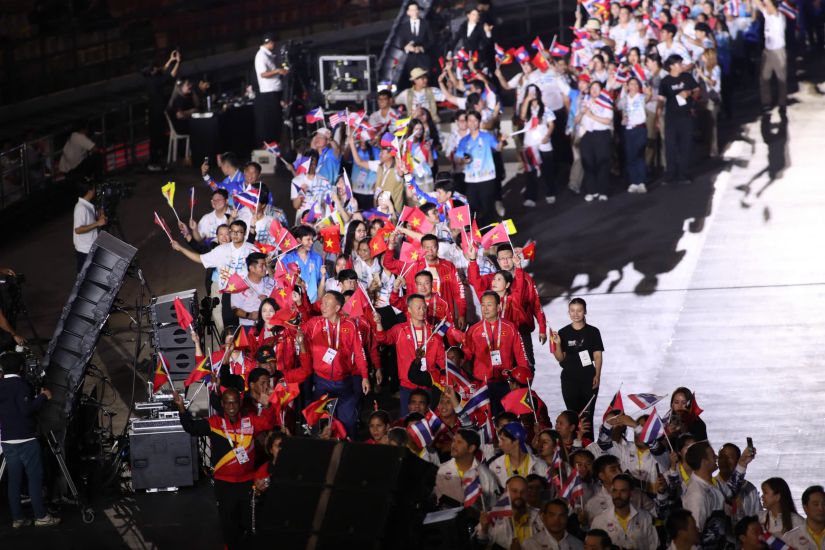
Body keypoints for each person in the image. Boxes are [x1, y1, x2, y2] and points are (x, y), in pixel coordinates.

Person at [173, 387, 274, 549]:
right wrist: (181, 407)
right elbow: (191, 428)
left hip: (248, 483)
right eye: (227, 403)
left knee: (250, 522)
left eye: (234, 402)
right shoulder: (214, 423)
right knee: (229, 523)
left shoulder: (250, 420)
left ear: (240, 403)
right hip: (224, 484)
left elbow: (268, 422)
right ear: (222, 404)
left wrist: (267, 406)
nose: (231, 406)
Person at [0, 352, 60, 528]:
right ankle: (41, 516)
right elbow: (26, 410)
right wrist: (43, 397)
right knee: (34, 478)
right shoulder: (21, 385)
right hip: (26, 439)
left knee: (14, 481)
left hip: (7, 440)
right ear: (21, 368)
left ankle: (18, 518)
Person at [301, 291, 369, 437]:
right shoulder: (315, 323)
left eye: (327, 304)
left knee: (348, 421)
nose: (322, 307)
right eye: (322, 303)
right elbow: (299, 331)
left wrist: (364, 376)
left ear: (337, 308)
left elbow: (359, 353)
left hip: (344, 381)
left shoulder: (350, 325)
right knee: (320, 422)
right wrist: (298, 334)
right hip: (321, 381)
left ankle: (349, 446)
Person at [374, 293, 446, 414]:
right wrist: (378, 323)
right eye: (418, 308)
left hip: (428, 383)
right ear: (409, 310)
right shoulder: (400, 329)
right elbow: (383, 338)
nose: (422, 311)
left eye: (424, 308)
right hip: (407, 384)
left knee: (428, 419)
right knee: (407, 419)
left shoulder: (433, 332)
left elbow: (441, 359)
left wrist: (443, 379)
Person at [461, 291, 529, 413]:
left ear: (498, 307)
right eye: (483, 305)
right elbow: (465, 355)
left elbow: (521, 356)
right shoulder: (474, 330)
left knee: (505, 417)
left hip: (505, 382)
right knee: (486, 418)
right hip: (482, 383)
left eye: (489, 305)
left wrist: (523, 383)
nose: (485, 309)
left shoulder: (510, 328)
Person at [550, 298, 603, 438]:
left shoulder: (593, 332)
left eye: (579, 310)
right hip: (569, 380)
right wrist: (557, 344)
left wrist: (597, 375)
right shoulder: (563, 332)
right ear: (568, 312)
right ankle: (573, 445)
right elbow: (560, 358)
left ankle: (588, 445)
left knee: (587, 416)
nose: (576, 314)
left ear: (585, 311)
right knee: (573, 416)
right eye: (572, 311)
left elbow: (597, 355)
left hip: (588, 379)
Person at [682, 440, 755, 542]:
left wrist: (742, 462)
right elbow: (694, 535)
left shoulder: (710, 484)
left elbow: (730, 491)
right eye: (713, 455)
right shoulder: (697, 494)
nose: (716, 457)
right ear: (704, 461)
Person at [454, 110, 504, 226]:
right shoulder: (464, 141)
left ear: (479, 122)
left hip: (486, 177)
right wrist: (463, 160)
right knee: (473, 208)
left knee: (488, 208)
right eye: (470, 120)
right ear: (467, 122)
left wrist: (502, 141)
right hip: (471, 179)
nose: (472, 123)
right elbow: (458, 158)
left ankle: (492, 232)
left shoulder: (487, 136)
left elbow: (498, 148)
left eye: (475, 120)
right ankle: (479, 232)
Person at [658, 54, 699, 185]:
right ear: (671, 66)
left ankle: (683, 174)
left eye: (681, 63)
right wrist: (658, 115)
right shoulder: (665, 81)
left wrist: (689, 93)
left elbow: (697, 90)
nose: (682, 66)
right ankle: (670, 174)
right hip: (671, 117)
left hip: (686, 115)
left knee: (685, 145)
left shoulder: (687, 77)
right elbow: (661, 99)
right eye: (679, 64)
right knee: (670, 146)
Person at [590, 473, 659, 548]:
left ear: (631, 493)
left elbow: (654, 546)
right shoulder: (599, 521)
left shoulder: (645, 518)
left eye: (623, 491)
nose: (618, 495)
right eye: (615, 490)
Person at [434, 428, 498, 509]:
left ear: (471, 448)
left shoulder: (486, 475)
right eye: (453, 441)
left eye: (459, 442)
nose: (453, 445)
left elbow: (494, 506)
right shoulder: (440, 471)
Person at [475, 476, 543, 547]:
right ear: (506, 492)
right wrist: (484, 530)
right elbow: (479, 546)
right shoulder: (491, 517)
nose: (519, 495)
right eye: (514, 491)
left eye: (523, 492)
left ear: (527, 493)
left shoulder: (539, 517)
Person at [518, 84, 557, 207]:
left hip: (544, 144)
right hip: (530, 143)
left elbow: (551, 125)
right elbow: (522, 117)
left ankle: (550, 193)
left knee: (547, 170)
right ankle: (531, 196)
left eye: (534, 91)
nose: (532, 93)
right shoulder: (525, 107)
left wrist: (547, 136)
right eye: (530, 91)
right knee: (531, 172)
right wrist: (527, 100)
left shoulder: (545, 108)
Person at [143, 49, 180, 170]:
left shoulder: (148, 76)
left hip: (152, 111)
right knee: (157, 137)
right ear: (154, 69)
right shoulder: (156, 80)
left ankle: (154, 161)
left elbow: (162, 70)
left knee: (154, 137)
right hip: (157, 112)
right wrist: (178, 62)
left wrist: (170, 60)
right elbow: (170, 75)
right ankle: (155, 163)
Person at [577, 80, 613, 202]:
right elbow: (576, 120)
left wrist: (591, 115)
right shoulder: (584, 102)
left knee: (602, 163)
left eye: (597, 88)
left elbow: (607, 120)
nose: (594, 90)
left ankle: (603, 190)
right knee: (588, 163)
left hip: (601, 135)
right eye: (592, 88)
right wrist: (581, 113)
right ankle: (591, 190)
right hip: (587, 135)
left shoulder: (605, 102)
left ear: (601, 90)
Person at [488, 422, 549, 490]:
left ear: (516, 441)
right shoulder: (494, 466)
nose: (499, 444)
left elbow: (546, 492)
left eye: (503, 440)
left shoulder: (540, 465)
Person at [753, 0, 787, 116]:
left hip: (778, 51)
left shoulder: (779, 16)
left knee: (781, 79)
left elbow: (769, 6)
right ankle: (766, 103)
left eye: (768, 5)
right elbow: (758, 4)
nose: (765, 7)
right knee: (764, 78)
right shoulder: (767, 14)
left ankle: (782, 103)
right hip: (767, 52)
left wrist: (767, 3)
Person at [254, 34, 289, 144]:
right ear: (268, 42)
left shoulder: (269, 55)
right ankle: (273, 141)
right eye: (273, 42)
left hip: (276, 89)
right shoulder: (261, 56)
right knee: (273, 118)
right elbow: (263, 74)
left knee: (278, 117)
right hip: (269, 92)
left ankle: (279, 140)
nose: (274, 44)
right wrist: (277, 71)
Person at [618, 77, 650, 194]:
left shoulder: (641, 97)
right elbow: (619, 106)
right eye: (631, 84)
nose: (634, 86)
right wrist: (623, 92)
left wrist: (648, 92)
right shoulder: (624, 99)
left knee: (639, 154)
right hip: (628, 129)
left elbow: (648, 97)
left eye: (636, 84)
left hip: (640, 128)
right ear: (628, 86)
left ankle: (641, 182)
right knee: (630, 155)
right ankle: (633, 182)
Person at [281, 226, 324, 304]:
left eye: (312, 239)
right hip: (293, 302)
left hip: (313, 303)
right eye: (308, 239)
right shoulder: (287, 259)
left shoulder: (317, 259)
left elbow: (321, 281)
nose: (311, 242)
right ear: (298, 240)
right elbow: (281, 282)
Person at [230, 253, 275, 327]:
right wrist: (249, 315)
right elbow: (235, 309)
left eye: (265, 265)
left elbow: (275, 280)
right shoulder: (240, 286)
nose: (265, 268)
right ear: (252, 268)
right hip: (249, 326)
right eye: (261, 266)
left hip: (268, 325)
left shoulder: (268, 281)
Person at [73, 179, 107, 273]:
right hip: (84, 250)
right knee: (83, 278)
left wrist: (101, 213)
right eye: (94, 189)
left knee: (93, 275)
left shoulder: (88, 205)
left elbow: (95, 218)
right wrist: (97, 223)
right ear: (89, 191)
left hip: (90, 247)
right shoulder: (81, 208)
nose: (95, 191)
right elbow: (78, 230)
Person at [396, 1, 434, 81]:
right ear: (408, 12)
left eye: (416, 10)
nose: (415, 12)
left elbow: (431, 41)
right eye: (412, 10)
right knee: (413, 80)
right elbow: (401, 44)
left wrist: (421, 48)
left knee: (425, 79)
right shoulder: (404, 26)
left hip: (424, 58)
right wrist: (407, 47)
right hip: (411, 59)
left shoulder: (426, 24)